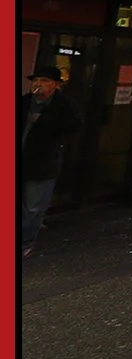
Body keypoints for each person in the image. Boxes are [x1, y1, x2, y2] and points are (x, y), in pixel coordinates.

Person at [20, 65, 82, 257]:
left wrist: (43, 121)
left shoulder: (64, 105)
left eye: (45, 81)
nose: (39, 85)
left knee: (33, 206)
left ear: (56, 85)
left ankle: (25, 241)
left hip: (42, 162)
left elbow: (74, 126)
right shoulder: (24, 102)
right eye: (36, 81)